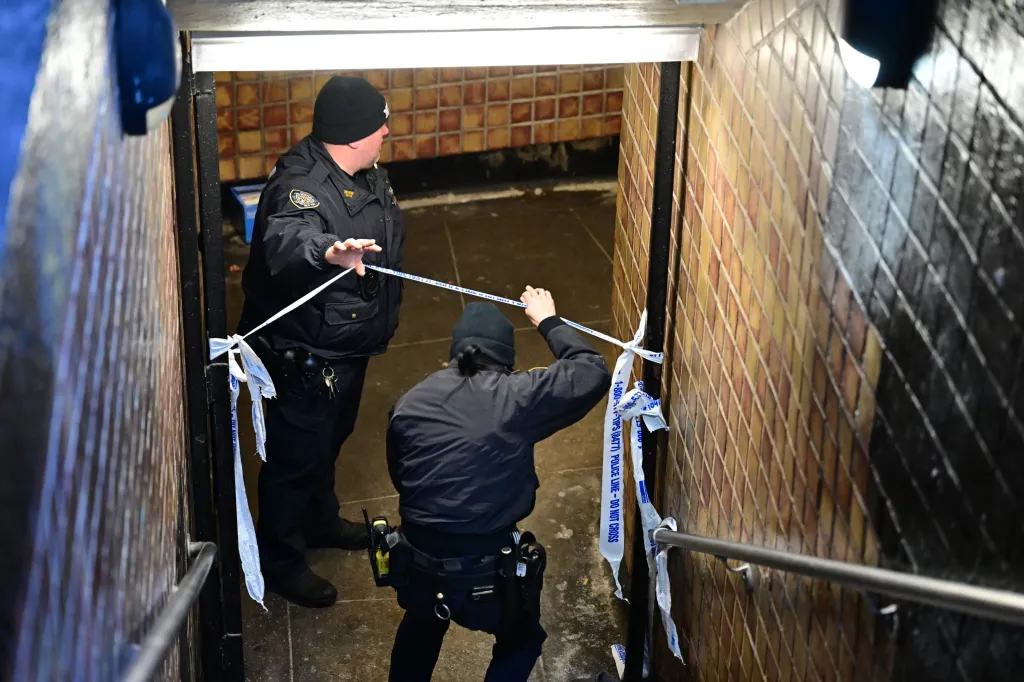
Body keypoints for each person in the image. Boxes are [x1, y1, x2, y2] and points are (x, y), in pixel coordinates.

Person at [385, 288, 612, 681]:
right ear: (506, 358)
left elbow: (399, 474)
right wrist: (548, 321)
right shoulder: (516, 396)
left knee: (421, 623)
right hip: (486, 567)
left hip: (418, 558)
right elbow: (591, 370)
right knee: (521, 639)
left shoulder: (410, 402)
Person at [237, 75, 405, 608]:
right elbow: (288, 238)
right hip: (306, 352)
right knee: (295, 456)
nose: (386, 131)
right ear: (356, 135)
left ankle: (319, 520)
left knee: (330, 437)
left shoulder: (364, 169)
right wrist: (329, 252)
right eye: (381, 123)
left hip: (345, 340)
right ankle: (281, 559)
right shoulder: (300, 182)